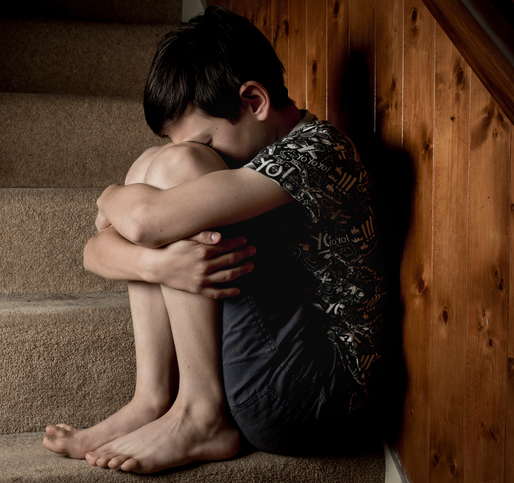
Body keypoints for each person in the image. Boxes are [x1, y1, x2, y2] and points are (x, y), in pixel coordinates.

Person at [42, 6, 387, 474]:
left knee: (170, 171)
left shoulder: (318, 151)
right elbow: (94, 250)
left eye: (204, 142)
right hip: (278, 374)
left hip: (315, 394)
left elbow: (141, 224)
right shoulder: (263, 154)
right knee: (153, 164)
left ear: (254, 101)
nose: (195, 153)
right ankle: (153, 398)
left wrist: (109, 197)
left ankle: (202, 414)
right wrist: (157, 266)